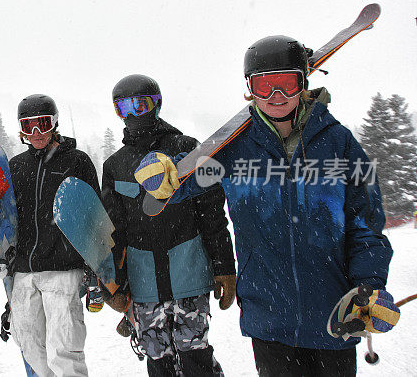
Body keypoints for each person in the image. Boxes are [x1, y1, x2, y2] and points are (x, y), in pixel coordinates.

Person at [142, 36, 394, 376]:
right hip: (269, 317)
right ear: (250, 89)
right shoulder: (235, 150)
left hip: (334, 314)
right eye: (264, 86)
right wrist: (163, 173)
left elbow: (365, 227)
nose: (276, 97)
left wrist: (371, 285)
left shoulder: (340, 144)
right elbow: (185, 184)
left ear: (304, 81)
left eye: (286, 83)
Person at [102, 74, 236, 376]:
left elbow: (212, 212)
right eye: (125, 108)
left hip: (189, 270)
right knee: (158, 358)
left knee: (194, 355)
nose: (134, 114)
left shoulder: (186, 148)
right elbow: (114, 232)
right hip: (144, 280)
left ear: (156, 105)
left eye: (141, 105)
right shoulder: (115, 165)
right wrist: (112, 284)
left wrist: (224, 265)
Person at [8, 94, 98, 377]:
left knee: (64, 346)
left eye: (43, 124)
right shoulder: (16, 165)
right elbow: (7, 213)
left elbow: (93, 214)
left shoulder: (77, 161)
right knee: (28, 342)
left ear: (54, 124)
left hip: (62, 266)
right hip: (25, 268)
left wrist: (95, 266)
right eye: (29, 126)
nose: (36, 133)